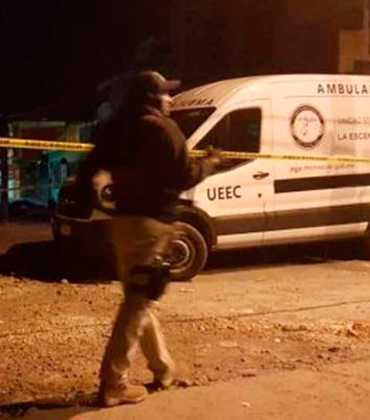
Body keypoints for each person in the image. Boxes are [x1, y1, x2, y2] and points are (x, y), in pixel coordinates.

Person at [77, 71, 220, 407]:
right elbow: (184, 175)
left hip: (123, 224)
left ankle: (163, 369)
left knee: (140, 297)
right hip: (152, 226)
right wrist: (210, 163)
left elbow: (88, 171)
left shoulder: (115, 128)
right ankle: (114, 383)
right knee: (138, 302)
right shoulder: (163, 129)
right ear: (153, 98)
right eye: (166, 94)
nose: (170, 100)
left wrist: (101, 203)